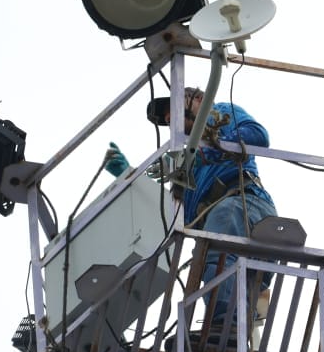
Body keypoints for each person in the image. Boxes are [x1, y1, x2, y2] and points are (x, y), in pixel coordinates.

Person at [106, 87, 276, 328]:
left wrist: (215, 147)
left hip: (243, 204)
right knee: (215, 266)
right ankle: (228, 332)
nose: (169, 120)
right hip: (225, 220)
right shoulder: (186, 164)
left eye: (173, 111)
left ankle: (223, 328)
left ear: (198, 100)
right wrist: (129, 176)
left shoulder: (219, 114)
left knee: (217, 256)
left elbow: (258, 135)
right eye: (167, 120)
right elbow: (168, 213)